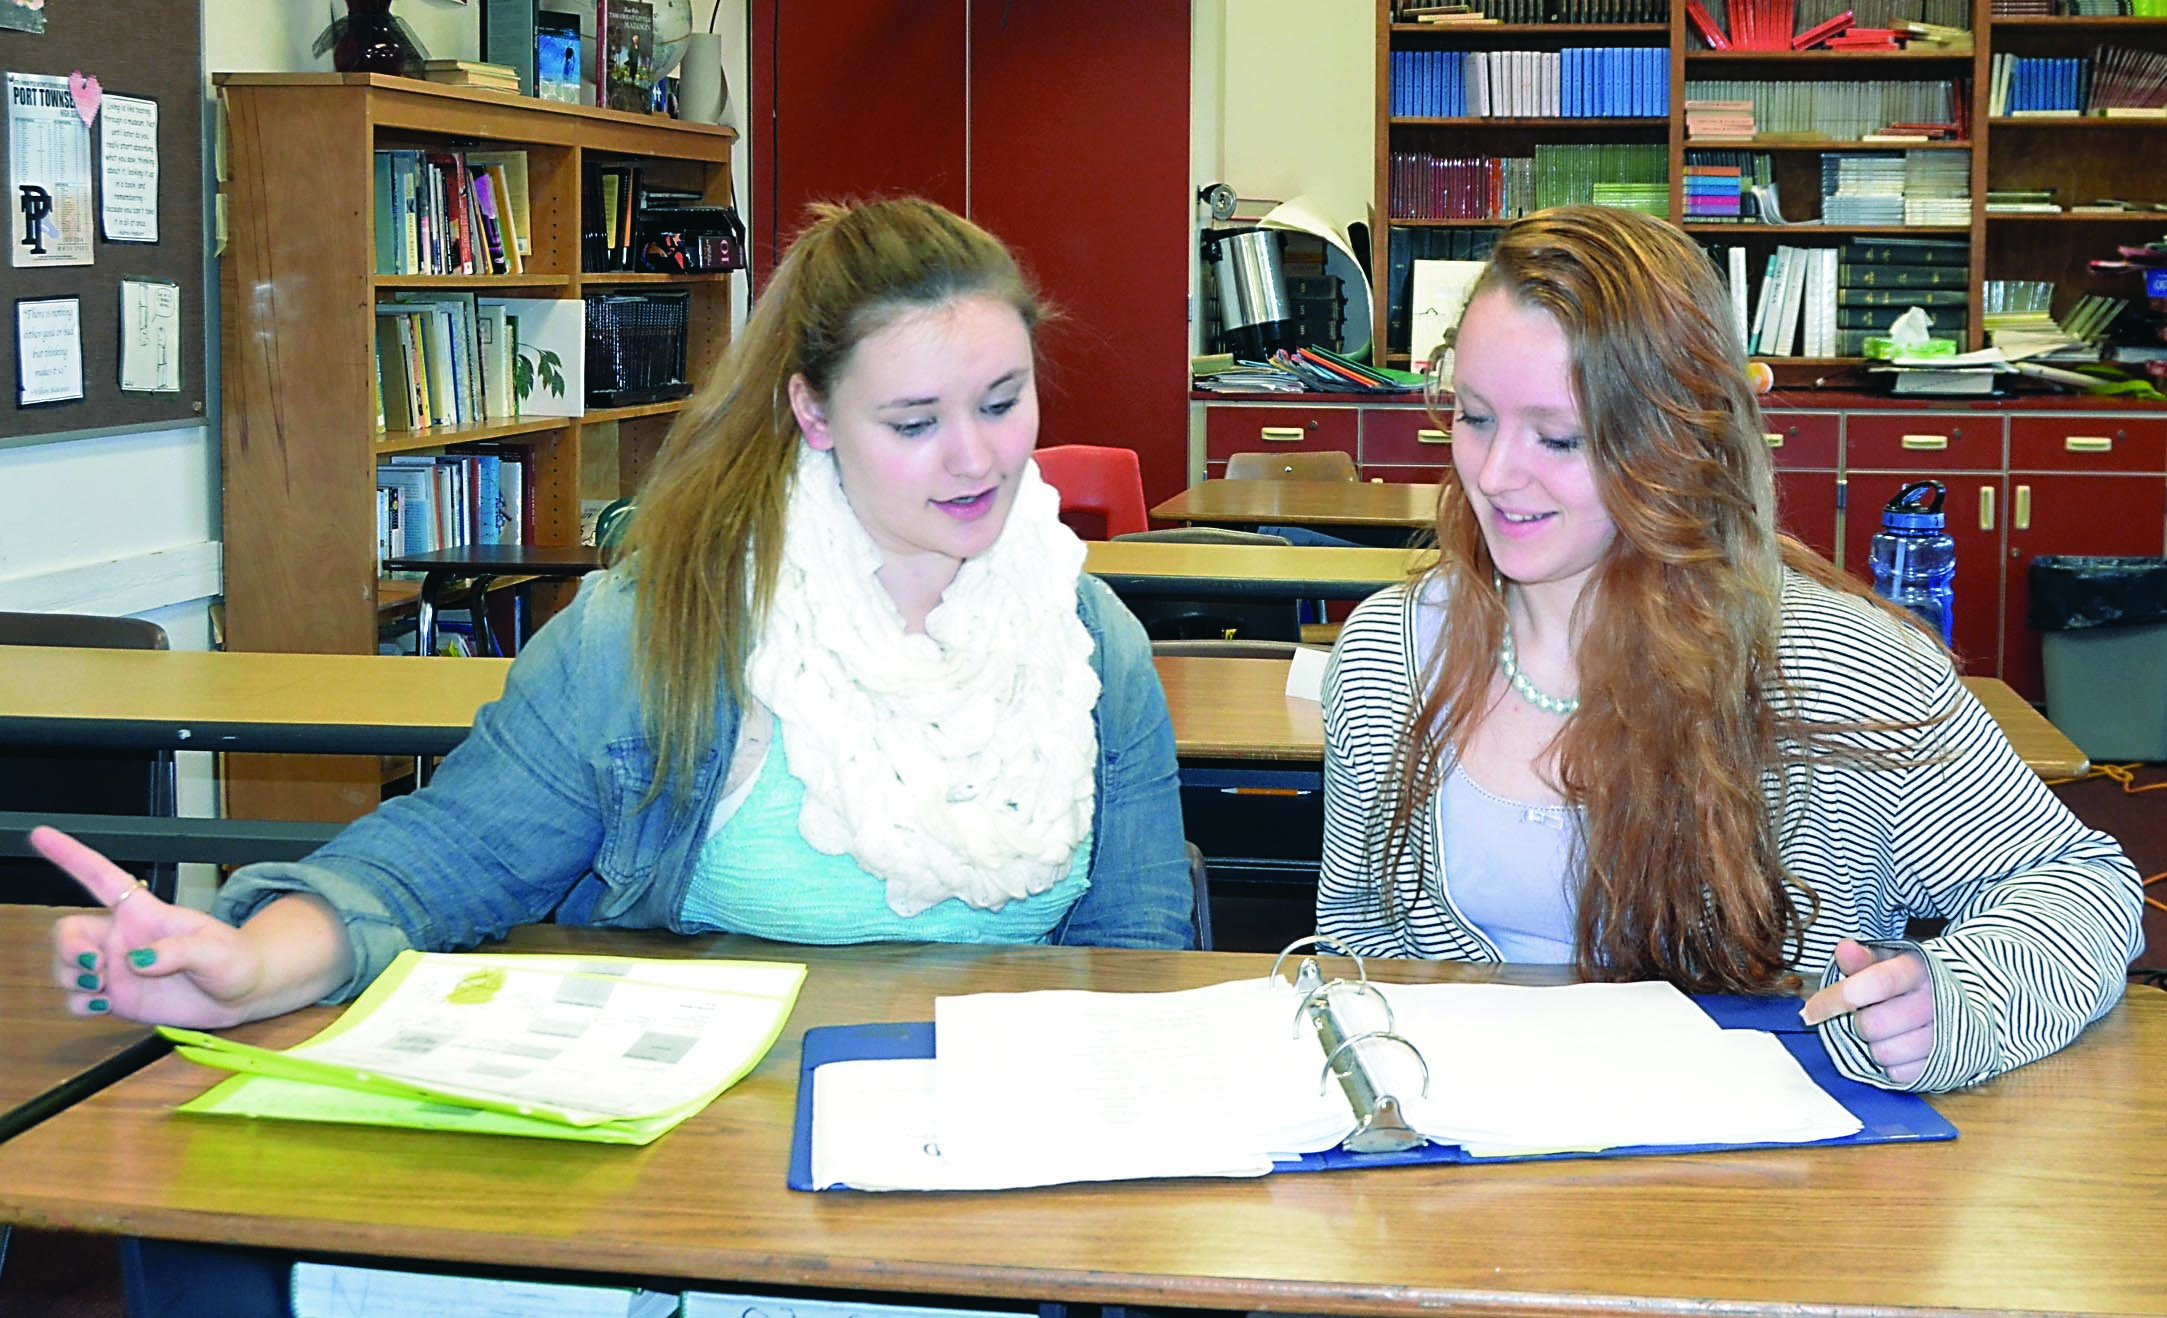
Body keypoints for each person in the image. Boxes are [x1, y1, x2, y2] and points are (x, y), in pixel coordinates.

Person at [39, 196, 1195, 1036]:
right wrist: (246, 961)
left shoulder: (1090, 646)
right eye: (912, 421)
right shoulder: (659, 629)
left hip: (999, 1127)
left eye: (1003, 401)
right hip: (703, 1138)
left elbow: (1140, 953)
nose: (976, 457)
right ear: (812, 411)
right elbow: (446, 858)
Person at [1318, 204, 2142, 1094]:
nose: (1492, 474)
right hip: (1461, 1179)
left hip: (1753, 1195)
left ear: (1674, 440)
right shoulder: (1388, 657)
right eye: (1474, 418)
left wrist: (1957, 1001)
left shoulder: (1838, 670)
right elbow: (1358, 960)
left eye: (1559, 438)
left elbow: (2084, 889)